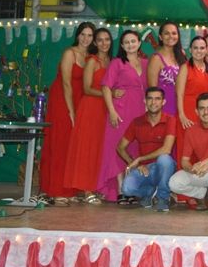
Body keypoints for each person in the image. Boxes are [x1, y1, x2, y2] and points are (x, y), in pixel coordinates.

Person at [40, 21, 95, 206]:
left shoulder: (90, 57)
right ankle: (56, 190)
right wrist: (71, 111)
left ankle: (70, 189)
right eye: (83, 34)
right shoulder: (69, 53)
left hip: (80, 101)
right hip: (62, 101)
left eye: (90, 35)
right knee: (60, 144)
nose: (86, 38)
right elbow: (66, 83)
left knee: (73, 147)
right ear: (77, 35)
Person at [97, 30, 148, 202]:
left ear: (139, 43)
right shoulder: (117, 63)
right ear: (122, 45)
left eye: (133, 41)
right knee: (117, 147)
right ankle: (120, 189)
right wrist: (111, 110)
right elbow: (105, 87)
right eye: (126, 42)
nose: (130, 45)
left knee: (134, 147)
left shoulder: (146, 63)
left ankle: (130, 186)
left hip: (140, 111)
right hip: (120, 111)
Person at [64, 27, 113, 203]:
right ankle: (86, 190)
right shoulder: (92, 61)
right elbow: (86, 88)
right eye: (100, 40)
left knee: (100, 149)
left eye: (107, 39)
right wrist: (108, 95)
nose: (104, 43)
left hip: (105, 110)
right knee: (87, 148)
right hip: (91, 108)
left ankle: (95, 186)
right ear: (95, 43)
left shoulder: (112, 61)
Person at [117, 87, 176, 212]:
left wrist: (140, 159)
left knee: (164, 159)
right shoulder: (137, 122)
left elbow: (166, 149)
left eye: (157, 99)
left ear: (163, 102)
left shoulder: (170, 120)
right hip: (145, 169)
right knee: (127, 189)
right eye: (150, 99)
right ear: (145, 101)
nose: (153, 102)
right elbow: (120, 147)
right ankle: (149, 193)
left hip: (164, 168)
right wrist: (135, 163)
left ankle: (163, 198)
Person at [175, 36, 208, 165]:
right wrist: (182, 116)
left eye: (202, 48)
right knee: (186, 150)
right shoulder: (185, 68)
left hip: (203, 115)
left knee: (202, 150)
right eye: (195, 48)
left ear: (206, 50)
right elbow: (179, 94)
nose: (199, 51)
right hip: (187, 115)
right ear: (190, 50)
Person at [147, 22, 186, 117]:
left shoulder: (182, 54)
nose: (171, 36)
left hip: (183, 106)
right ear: (160, 37)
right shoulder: (156, 58)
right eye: (166, 33)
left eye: (174, 33)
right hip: (164, 109)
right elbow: (152, 90)